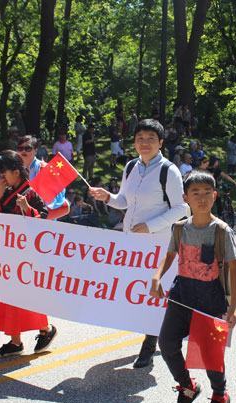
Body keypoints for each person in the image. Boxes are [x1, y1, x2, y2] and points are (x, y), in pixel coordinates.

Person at [90, 119, 187, 368]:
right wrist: (108, 197)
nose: (144, 143)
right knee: (137, 289)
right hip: (132, 242)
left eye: (151, 138)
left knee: (155, 292)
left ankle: (149, 343)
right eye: (140, 138)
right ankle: (157, 331)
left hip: (158, 242)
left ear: (161, 143)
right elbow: (124, 200)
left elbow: (181, 208)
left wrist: (150, 226)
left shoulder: (169, 170)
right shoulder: (131, 166)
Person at [150, 170, 236, 403]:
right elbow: (169, 256)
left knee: (209, 353)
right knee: (167, 343)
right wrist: (157, 277)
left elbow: (234, 268)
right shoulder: (179, 228)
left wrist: (233, 306)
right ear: (185, 197)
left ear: (215, 195)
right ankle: (187, 386)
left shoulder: (221, 230)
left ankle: (220, 396)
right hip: (181, 295)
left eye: (207, 193)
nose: (202, 198)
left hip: (210, 299)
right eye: (195, 193)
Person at [0, 151, 57, 357]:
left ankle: (46, 329)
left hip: (26, 256)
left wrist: (28, 210)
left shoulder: (30, 193)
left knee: (26, 298)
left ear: (16, 172)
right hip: (7, 254)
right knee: (7, 298)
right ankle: (15, 341)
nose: (1, 178)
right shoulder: (5, 192)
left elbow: (43, 221)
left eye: (3, 173)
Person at [16, 135, 69, 219]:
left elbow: (59, 199)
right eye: (20, 148)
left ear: (35, 150)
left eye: (28, 148)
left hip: (43, 220)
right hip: (20, 218)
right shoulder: (14, 169)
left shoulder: (46, 169)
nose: (23, 151)